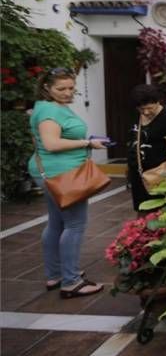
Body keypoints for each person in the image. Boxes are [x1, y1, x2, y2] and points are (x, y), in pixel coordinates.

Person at [28, 67, 106, 298]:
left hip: (54, 173)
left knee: (56, 223)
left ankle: (56, 274)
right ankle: (71, 281)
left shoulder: (48, 107)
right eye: (60, 88)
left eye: (71, 87)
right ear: (46, 88)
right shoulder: (49, 111)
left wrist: (87, 142)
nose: (67, 92)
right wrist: (87, 143)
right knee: (74, 225)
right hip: (63, 176)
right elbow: (51, 144)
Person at [127, 84, 166, 213]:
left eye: (149, 108)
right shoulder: (137, 115)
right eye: (141, 109)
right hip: (139, 174)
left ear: (157, 102)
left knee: (161, 212)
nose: (145, 112)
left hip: (159, 175)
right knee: (142, 211)